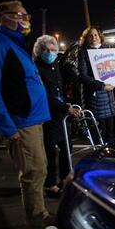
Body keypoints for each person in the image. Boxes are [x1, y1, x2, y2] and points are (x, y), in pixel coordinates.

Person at [0, 0, 53, 229]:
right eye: (21, 15)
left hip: (32, 119)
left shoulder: (14, 43)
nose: (26, 19)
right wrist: (8, 128)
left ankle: (40, 213)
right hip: (20, 122)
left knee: (39, 169)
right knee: (33, 173)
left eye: (26, 14)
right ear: (5, 17)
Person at [33, 35, 81, 198]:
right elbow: (44, 96)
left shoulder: (56, 66)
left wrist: (68, 104)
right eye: (46, 50)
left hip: (60, 113)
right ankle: (50, 184)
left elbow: (60, 90)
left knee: (66, 147)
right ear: (39, 51)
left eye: (53, 50)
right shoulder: (36, 69)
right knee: (50, 151)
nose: (50, 53)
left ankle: (65, 177)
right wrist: (65, 108)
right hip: (47, 115)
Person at [77, 26, 115, 141]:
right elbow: (83, 76)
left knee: (111, 132)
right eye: (90, 36)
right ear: (86, 39)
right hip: (95, 98)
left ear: (100, 36)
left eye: (95, 35)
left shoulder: (108, 49)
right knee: (100, 135)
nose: (93, 37)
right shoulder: (83, 53)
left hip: (109, 99)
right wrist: (102, 86)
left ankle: (111, 156)